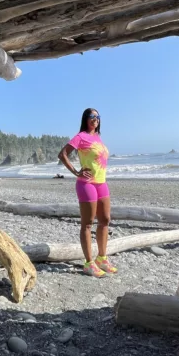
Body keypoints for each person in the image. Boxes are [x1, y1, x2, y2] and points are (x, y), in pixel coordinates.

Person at [58, 109, 118, 278]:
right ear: (85, 119)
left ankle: (102, 258)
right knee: (88, 223)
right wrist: (77, 172)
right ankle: (88, 263)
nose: (95, 119)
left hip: (101, 183)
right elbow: (62, 154)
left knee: (105, 219)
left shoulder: (97, 138)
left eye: (98, 117)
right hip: (87, 184)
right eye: (92, 117)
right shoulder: (81, 136)